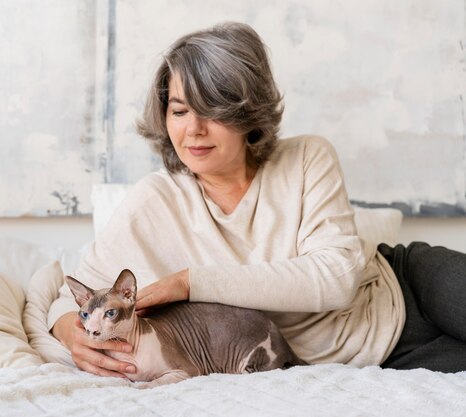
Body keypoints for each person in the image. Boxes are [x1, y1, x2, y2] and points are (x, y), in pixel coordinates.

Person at [49, 22, 466, 377]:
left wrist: (189, 282)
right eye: (178, 111)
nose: (192, 130)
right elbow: (68, 301)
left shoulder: (307, 157)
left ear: (247, 113)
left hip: (407, 286)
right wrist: (71, 331)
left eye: (210, 110)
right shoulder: (154, 201)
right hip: (376, 359)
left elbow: (336, 280)